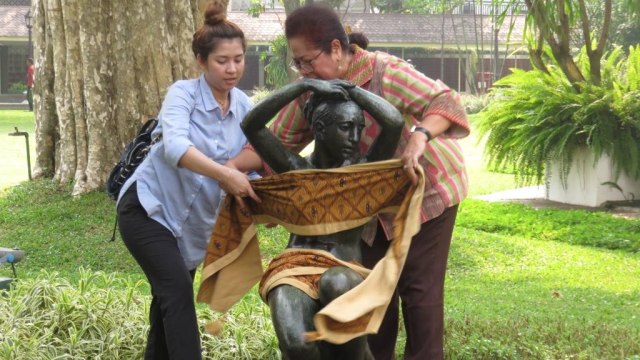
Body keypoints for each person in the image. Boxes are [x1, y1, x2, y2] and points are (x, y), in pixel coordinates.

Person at [229, 4, 470, 359]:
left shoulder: (385, 71)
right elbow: (273, 142)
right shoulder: (311, 91)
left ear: (337, 49)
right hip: (365, 208)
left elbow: (445, 101)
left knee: (420, 296)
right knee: (370, 300)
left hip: (426, 193)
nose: (303, 70)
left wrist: (418, 135)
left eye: (308, 61)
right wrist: (224, 169)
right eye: (299, 64)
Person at [115, 3, 258, 359]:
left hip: (193, 227)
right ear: (201, 61)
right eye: (222, 61)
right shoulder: (183, 94)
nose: (232, 69)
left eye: (238, 59)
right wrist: (225, 173)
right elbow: (174, 147)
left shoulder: (244, 106)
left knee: (167, 299)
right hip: (148, 209)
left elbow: (258, 155)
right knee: (177, 292)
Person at [240, 78, 403, 359]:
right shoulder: (296, 169)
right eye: (345, 127)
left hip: (344, 267)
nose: (354, 137)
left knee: (336, 283)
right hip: (294, 268)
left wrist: (352, 91)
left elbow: (394, 123)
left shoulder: (361, 173)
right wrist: (303, 85)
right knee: (297, 345)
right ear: (319, 129)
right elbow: (251, 124)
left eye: (358, 129)